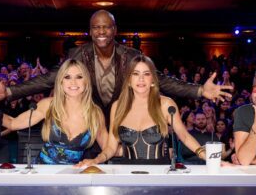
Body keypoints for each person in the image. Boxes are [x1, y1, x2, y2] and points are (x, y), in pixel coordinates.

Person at [0, 10, 232, 121]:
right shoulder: (78, 54)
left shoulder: (131, 55)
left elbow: (162, 82)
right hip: (87, 120)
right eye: (96, 27)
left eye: (106, 26)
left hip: (122, 120)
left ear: (114, 30)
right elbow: (49, 78)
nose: (101, 31)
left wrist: (200, 91)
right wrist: (10, 91)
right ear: (90, 31)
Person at [75, 55, 206, 166]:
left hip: (159, 172)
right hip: (127, 172)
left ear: (153, 80)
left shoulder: (166, 104)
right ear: (128, 81)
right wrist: (96, 160)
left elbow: (184, 136)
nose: (141, 79)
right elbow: (110, 147)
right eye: (136, 74)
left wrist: (205, 155)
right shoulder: (118, 106)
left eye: (146, 74)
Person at [2, 59, 107, 164]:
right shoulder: (49, 105)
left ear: (86, 82)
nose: (73, 82)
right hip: (42, 174)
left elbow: (109, 147)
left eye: (79, 77)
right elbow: (13, 123)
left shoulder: (95, 113)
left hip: (73, 177)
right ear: (61, 82)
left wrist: (97, 160)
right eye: (67, 77)